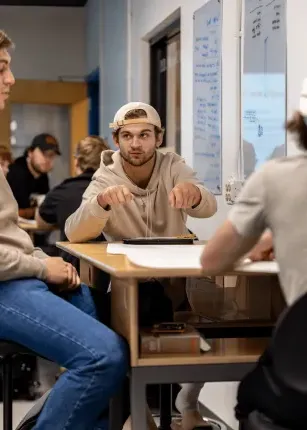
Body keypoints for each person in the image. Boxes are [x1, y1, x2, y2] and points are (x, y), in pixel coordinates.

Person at [0, 29, 127, 430]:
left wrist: (41, 258)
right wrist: (41, 267)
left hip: (19, 272)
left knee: (120, 335)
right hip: (7, 283)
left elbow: (12, 233)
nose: (11, 79)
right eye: (2, 68)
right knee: (104, 355)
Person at [65, 102, 218, 430]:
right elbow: (73, 230)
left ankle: (186, 403)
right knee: (124, 331)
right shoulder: (105, 174)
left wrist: (194, 194)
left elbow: (208, 206)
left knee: (218, 311)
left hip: (177, 280)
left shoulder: (173, 165)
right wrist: (101, 203)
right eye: (128, 136)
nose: (136, 143)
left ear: (158, 138)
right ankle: (137, 412)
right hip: (129, 282)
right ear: (116, 139)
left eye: (145, 135)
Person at [200, 78, 307, 428]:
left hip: (300, 377)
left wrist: (259, 241)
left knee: (250, 396)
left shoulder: (277, 177)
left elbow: (212, 261)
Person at [35, 135, 109, 268]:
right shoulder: (117, 190)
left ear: (76, 162)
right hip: (113, 265)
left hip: (74, 270)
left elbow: (40, 223)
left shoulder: (61, 191)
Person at [7, 133, 60, 219]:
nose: (48, 160)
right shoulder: (16, 172)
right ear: (30, 153)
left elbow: (45, 208)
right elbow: (13, 213)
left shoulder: (42, 174)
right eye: (44, 153)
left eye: (52, 155)